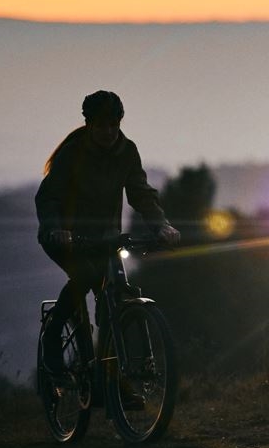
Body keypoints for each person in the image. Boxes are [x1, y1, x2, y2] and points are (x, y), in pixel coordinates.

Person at [36, 90, 180, 373]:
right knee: (86, 275)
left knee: (115, 298)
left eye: (114, 124)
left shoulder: (127, 152)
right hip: (65, 237)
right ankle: (54, 333)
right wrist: (56, 228)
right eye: (101, 125)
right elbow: (48, 197)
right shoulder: (72, 153)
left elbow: (141, 195)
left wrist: (161, 225)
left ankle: (115, 383)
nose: (109, 131)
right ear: (88, 124)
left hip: (105, 239)